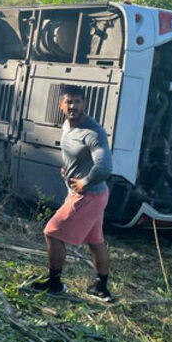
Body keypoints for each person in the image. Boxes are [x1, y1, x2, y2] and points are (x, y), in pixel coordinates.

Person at [30, 84, 115, 302]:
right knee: (95, 241)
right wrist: (68, 170)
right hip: (93, 195)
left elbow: (104, 167)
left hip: (89, 194)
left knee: (52, 232)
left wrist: (84, 181)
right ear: (61, 105)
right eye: (69, 101)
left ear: (84, 104)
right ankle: (101, 288)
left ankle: (55, 283)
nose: (73, 106)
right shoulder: (67, 126)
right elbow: (76, 155)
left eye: (77, 102)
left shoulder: (93, 132)